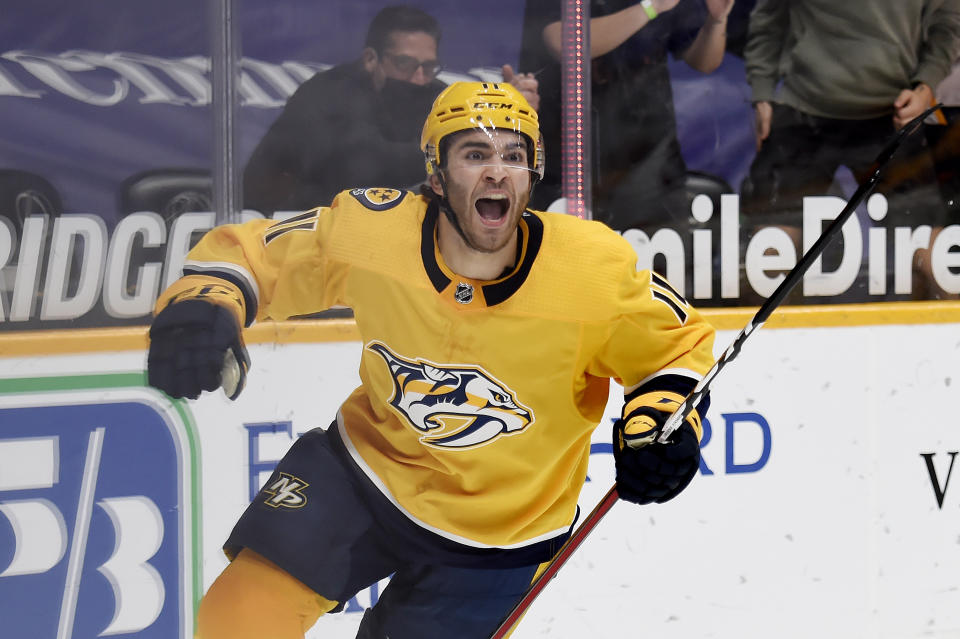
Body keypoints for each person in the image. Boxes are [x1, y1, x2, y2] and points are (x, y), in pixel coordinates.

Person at [147, 81, 716, 639]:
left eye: (513, 156)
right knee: (237, 620)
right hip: (365, 472)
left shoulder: (589, 270)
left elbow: (673, 347)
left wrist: (659, 419)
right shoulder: (375, 231)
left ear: (531, 176)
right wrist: (209, 302)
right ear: (436, 175)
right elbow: (260, 256)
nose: (497, 171)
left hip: (502, 529)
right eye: (475, 154)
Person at [742, 0, 960, 299]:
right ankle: (764, 344)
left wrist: (927, 83)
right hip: (804, 109)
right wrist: (762, 91)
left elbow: (948, 18)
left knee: (932, 261)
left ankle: (944, 346)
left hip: (894, 111)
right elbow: (769, 14)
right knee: (766, 260)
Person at [243, 5, 540, 217]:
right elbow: (364, 163)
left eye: (428, 66)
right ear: (371, 59)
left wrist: (508, 114)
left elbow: (475, 153)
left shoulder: (435, 95)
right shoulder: (326, 94)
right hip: (314, 224)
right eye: (405, 65)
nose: (419, 78)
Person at [519, 0, 733, 232]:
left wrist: (716, 20)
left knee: (654, 256)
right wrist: (651, 7)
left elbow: (704, 62)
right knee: (575, 254)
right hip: (574, 161)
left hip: (651, 158)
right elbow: (563, 42)